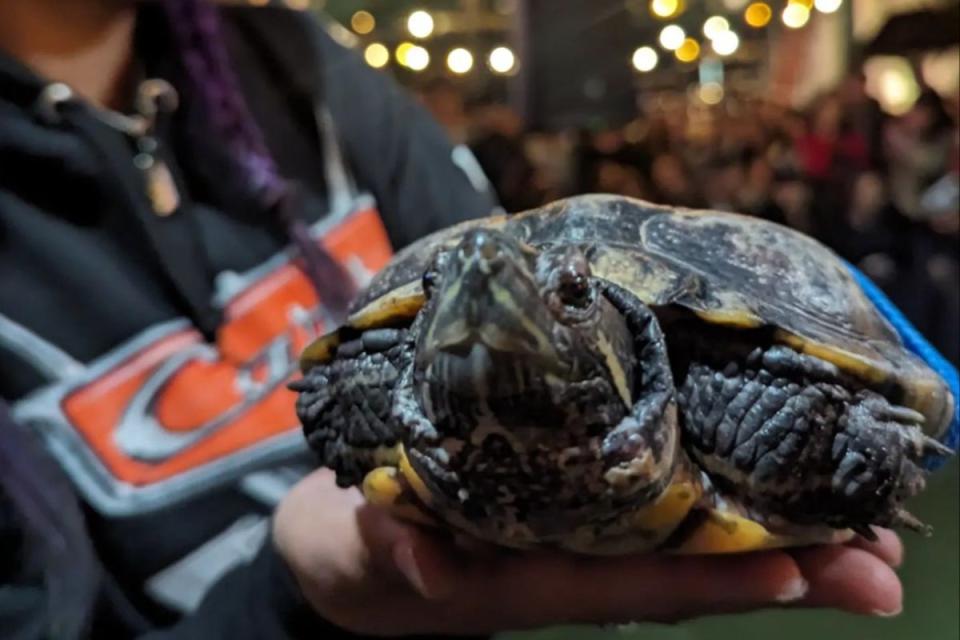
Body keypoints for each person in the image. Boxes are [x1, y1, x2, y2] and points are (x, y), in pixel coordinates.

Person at [0, 1, 905, 638]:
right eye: (446, 303)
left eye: (564, 307)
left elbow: (535, 249)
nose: (478, 290)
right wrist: (294, 601)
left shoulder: (302, 70)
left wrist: (829, 430)